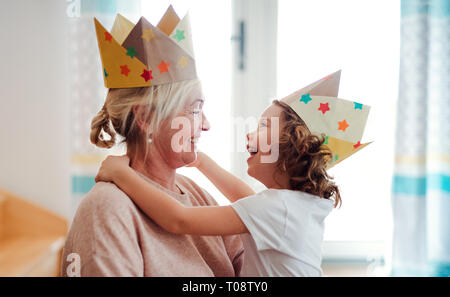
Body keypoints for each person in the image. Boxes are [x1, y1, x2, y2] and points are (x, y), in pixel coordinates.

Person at [95, 99, 342, 277]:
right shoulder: (293, 206)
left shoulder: (277, 209)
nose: (250, 134)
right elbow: (247, 198)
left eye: (264, 127)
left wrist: (122, 174)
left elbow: (179, 220)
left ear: (293, 148)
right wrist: (201, 162)